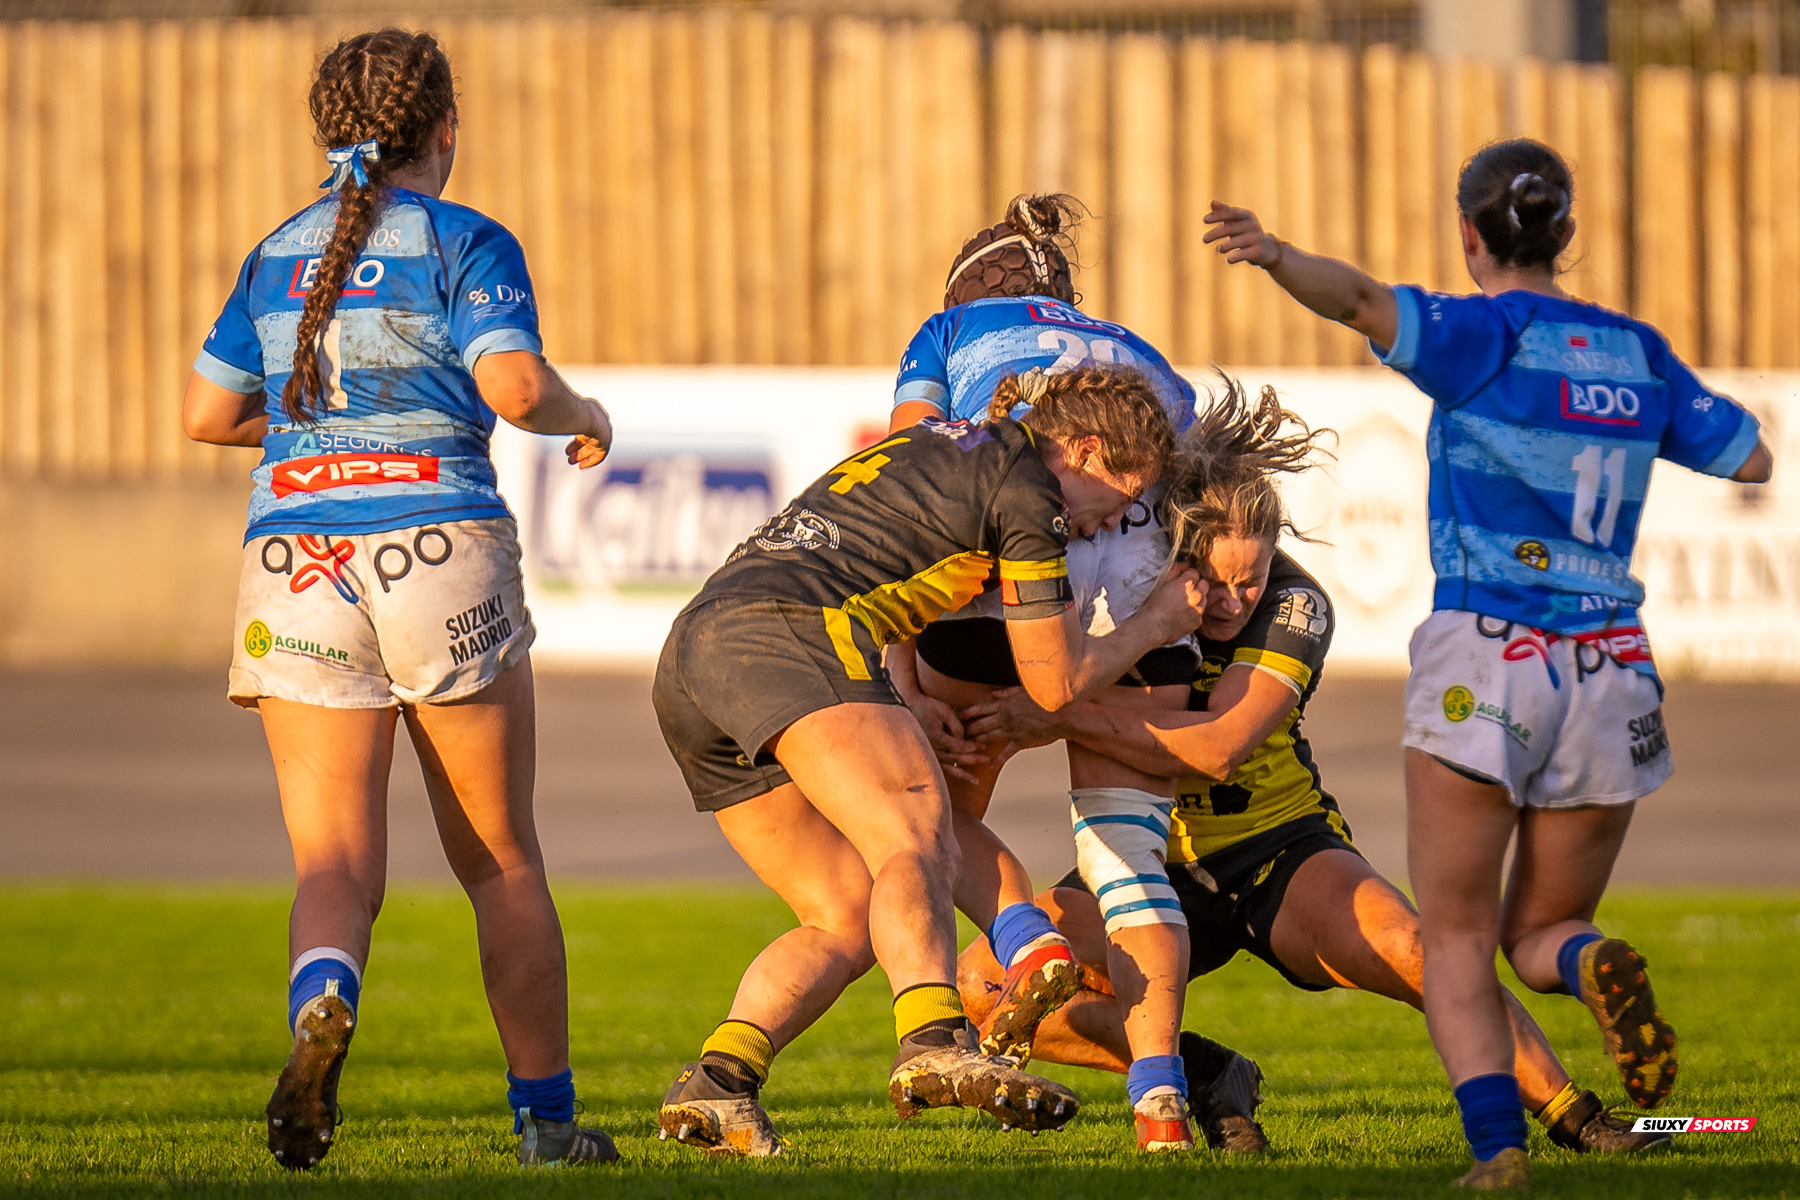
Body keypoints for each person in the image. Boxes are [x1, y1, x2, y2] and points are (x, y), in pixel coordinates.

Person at [1202, 138, 1773, 1189]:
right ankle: (1590, 960)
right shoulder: (1635, 351)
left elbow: (1362, 301)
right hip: (1613, 664)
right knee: (1545, 928)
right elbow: (1750, 455)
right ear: (1565, 232)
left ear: (1471, 233)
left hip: (1491, 656)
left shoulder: (1479, 334)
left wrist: (1276, 253)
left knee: (1456, 936)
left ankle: (1498, 1154)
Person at [954, 379, 1673, 1162]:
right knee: (990, 985)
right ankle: (1204, 1075)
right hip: (1150, 856)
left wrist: (1055, 714)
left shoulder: (1298, 603)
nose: (1232, 601)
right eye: (1215, 578)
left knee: (1416, 950)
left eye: (1250, 577)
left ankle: (1581, 1118)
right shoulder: (1123, 572)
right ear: (1172, 544)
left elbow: (1219, 744)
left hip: (1276, 852)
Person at [180, 29, 617, 1170]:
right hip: (435, 549)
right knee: (499, 859)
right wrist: (587, 416)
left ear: (326, 132)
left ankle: (324, 1004)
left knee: (331, 866)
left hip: (293, 564)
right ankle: (549, 1131)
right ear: (445, 131)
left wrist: (328, 437)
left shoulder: (277, 250)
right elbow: (516, 387)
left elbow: (207, 413)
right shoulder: (463, 240)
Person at [651, 365, 1207, 1156]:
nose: (1102, 527)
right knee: (915, 837)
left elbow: (882, 551)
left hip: (694, 655)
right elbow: (1053, 683)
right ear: (1085, 450)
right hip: (790, 635)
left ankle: (720, 1083)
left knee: (843, 914)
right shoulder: (1032, 494)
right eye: (1117, 504)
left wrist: (906, 692)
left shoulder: (955, 441)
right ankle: (932, 1039)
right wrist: (1154, 622)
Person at [887, 194, 1208, 1152]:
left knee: (936, 824)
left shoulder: (947, 332)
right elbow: (1195, 491)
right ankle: (1160, 1103)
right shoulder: (1134, 350)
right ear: (1062, 291)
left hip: (996, 586)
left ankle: (1019, 955)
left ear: (966, 285)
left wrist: (905, 679)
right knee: (1129, 862)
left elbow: (910, 490)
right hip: (1141, 594)